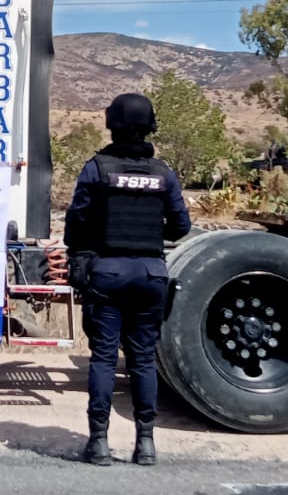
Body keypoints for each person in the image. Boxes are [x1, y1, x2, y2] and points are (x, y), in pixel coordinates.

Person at [63, 92, 192, 467]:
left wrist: (85, 249)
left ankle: (99, 444)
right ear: (149, 126)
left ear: (112, 125)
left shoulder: (96, 168)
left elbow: (75, 224)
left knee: (104, 358)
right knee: (142, 360)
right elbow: (181, 226)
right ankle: (146, 444)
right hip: (150, 274)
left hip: (108, 272)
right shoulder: (164, 173)